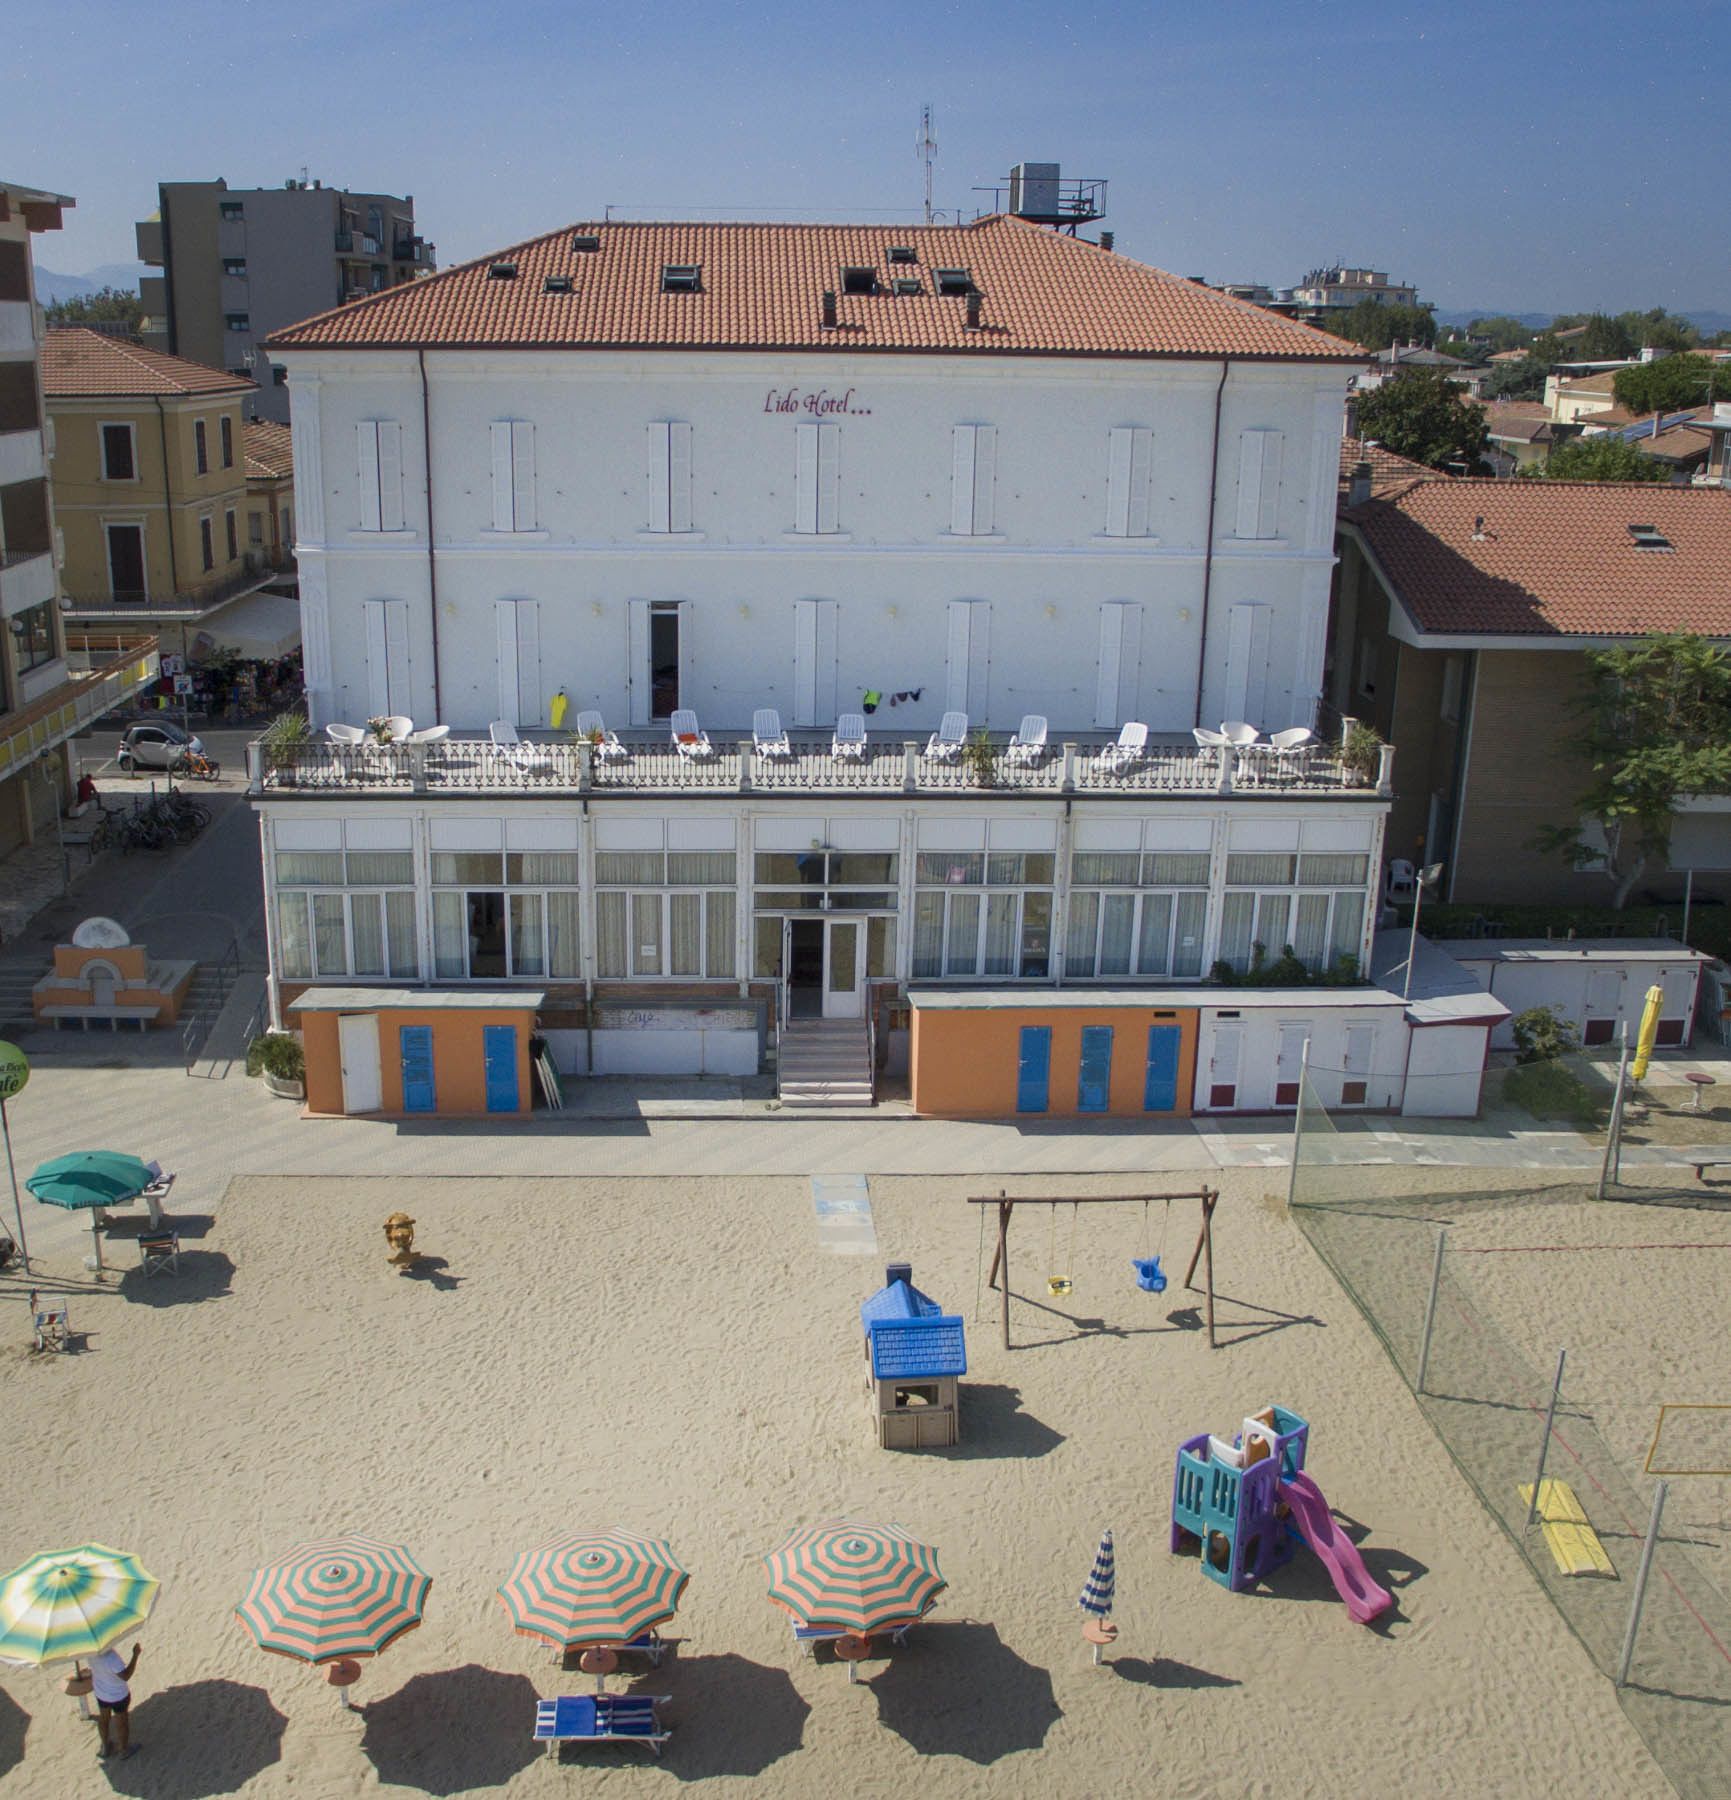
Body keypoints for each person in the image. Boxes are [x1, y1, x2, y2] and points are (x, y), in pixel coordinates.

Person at [89, 1640, 141, 1760]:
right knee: (122, 1721)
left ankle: (105, 1747)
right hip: (118, 1695)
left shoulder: (90, 1653)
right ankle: (123, 1750)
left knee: (103, 1718)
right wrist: (135, 1655)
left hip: (101, 1693)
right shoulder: (111, 1657)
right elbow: (126, 1676)